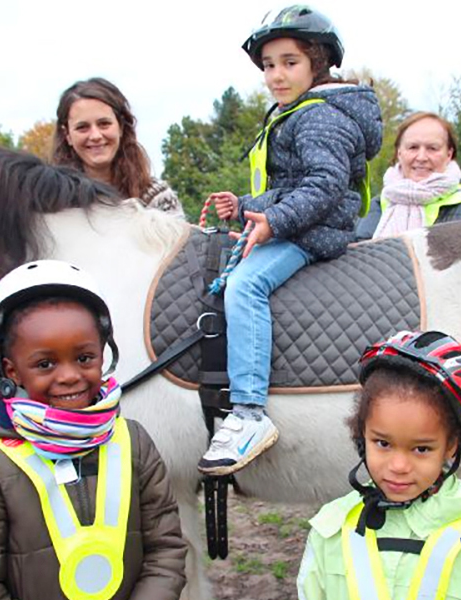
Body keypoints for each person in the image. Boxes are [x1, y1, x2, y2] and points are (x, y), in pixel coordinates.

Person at [198, 5, 383, 476]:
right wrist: (242, 205)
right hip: (299, 221)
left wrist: (274, 222)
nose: (276, 75)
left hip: (313, 232)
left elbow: (322, 185)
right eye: (268, 65)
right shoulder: (299, 113)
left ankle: (249, 413)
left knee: (245, 286)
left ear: (317, 63)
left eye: (289, 63)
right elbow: (292, 184)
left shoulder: (320, 118)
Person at [0, 260, 186, 600]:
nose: (70, 375)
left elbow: (166, 550)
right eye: (45, 364)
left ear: (103, 355)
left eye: (84, 358)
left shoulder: (134, 443)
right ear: (11, 371)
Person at [297, 330, 461, 600]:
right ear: (362, 434)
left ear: (451, 446)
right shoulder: (329, 533)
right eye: (383, 444)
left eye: (421, 449)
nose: (399, 466)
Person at [52, 77, 184, 217]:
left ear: (121, 127)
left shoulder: (157, 198)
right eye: (82, 127)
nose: (95, 136)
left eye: (104, 124)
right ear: (67, 135)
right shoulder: (52, 202)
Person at [355, 112, 461, 240]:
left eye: (432, 148)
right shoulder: (371, 209)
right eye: (413, 147)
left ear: (449, 154)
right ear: (399, 153)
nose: (421, 157)